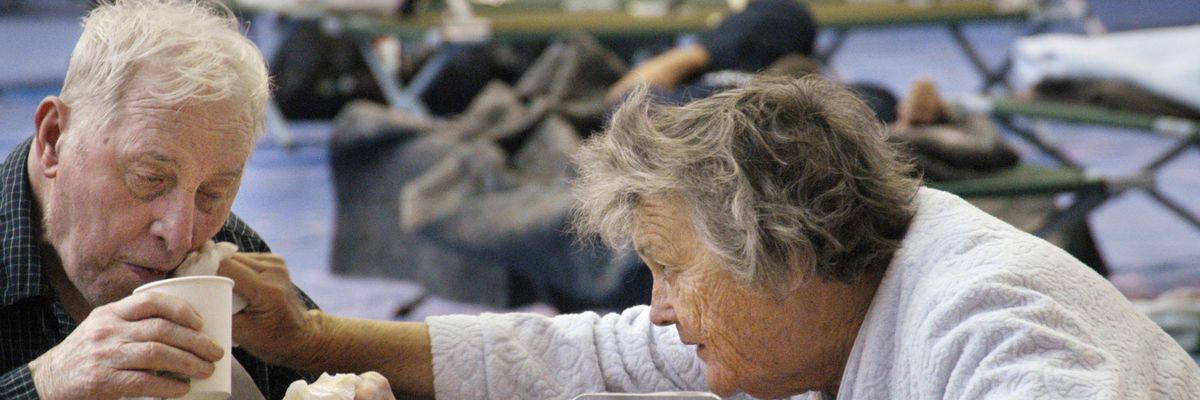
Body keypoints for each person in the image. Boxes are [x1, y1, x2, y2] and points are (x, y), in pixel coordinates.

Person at [223, 75, 1200, 399]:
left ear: (788, 249)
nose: (656, 309)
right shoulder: (832, 305)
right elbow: (583, 355)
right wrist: (312, 342)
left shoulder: (989, 320)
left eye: (668, 271)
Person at [0, 1, 393, 399]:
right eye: (149, 179)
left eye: (212, 193)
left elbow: (335, 374)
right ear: (54, 139)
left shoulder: (223, 259)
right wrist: (43, 383)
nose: (179, 235)